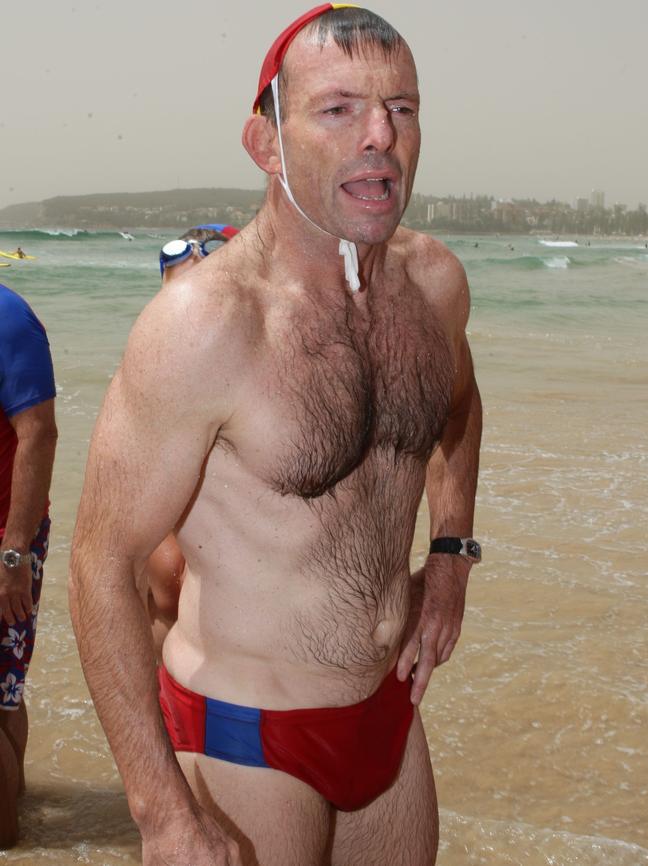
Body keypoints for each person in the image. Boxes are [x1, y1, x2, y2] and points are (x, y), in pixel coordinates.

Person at [69, 6, 482, 866]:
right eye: (338, 109)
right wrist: (162, 815)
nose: (380, 136)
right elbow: (99, 564)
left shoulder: (434, 286)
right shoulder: (204, 327)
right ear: (266, 141)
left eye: (402, 109)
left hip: (388, 718)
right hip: (246, 736)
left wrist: (449, 555)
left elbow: (459, 409)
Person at [147, 224, 238, 656]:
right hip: (189, 521)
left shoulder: (154, 339)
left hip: (180, 516)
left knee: (170, 610)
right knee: (171, 607)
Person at [0, 283, 57, 848]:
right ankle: (17, 832)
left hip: (4, 541)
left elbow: (39, 432)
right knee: (4, 694)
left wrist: (13, 554)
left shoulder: (7, 316)